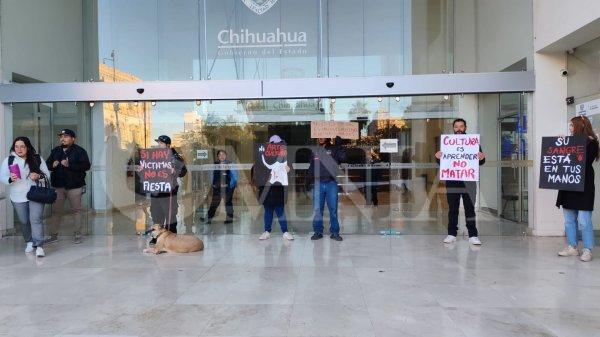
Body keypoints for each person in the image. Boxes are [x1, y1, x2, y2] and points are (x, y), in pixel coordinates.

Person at [435, 118, 486, 245]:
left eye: (461, 126)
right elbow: (443, 162)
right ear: (453, 128)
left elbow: (480, 162)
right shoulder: (447, 143)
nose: (458, 129)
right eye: (456, 126)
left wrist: (482, 157)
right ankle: (451, 233)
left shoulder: (473, 142)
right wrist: (437, 158)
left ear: (465, 127)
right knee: (453, 209)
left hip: (469, 181)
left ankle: (473, 235)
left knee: (470, 208)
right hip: (452, 180)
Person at [556, 116, 599, 262]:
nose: (570, 128)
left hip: (583, 186)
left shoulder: (592, 143)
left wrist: (567, 145)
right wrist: (562, 145)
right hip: (568, 185)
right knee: (569, 219)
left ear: (580, 126)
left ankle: (587, 249)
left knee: (584, 220)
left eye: (572, 126)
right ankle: (572, 247)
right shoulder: (569, 142)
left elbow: (583, 162)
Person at [1, 137, 51, 257]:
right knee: (24, 221)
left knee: (36, 218)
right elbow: (2, 176)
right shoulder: (9, 160)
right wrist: (10, 179)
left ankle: (39, 246)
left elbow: (47, 175)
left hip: (35, 194)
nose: (19, 149)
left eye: (22, 146)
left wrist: (38, 176)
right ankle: (29, 241)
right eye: (17, 146)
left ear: (27, 147)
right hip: (17, 195)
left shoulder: (37, 158)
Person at [46, 129, 91, 244]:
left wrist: (69, 165)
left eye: (66, 136)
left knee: (77, 210)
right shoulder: (55, 151)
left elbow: (86, 166)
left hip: (75, 186)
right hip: (58, 186)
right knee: (56, 212)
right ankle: (54, 235)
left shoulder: (80, 151)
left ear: (73, 138)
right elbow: (47, 165)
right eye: (61, 136)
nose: (63, 138)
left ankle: (77, 234)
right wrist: (52, 165)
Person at [149, 135, 187, 244]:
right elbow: (149, 168)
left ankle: (170, 236)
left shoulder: (175, 157)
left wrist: (174, 171)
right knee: (156, 213)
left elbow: (183, 171)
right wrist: (143, 169)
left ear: (167, 144)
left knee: (170, 214)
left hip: (169, 190)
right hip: (156, 189)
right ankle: (156, 236)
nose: (158, 145)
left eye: (161, 143)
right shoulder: (154, 156)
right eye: (158, 143)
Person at [308, 136, 347, 241]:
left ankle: (334, 232)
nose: (320, 138)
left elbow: (343, 158)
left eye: (323, 136)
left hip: (331, 183)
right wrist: (308, 181)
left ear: (327, 137)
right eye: (319, 136)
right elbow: (311, 167)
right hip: (317, 183)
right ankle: (318, 232)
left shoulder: (334, 149)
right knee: (317, 209)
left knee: (333, 210)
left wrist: (339, 146)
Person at [256, 135, 294, 241]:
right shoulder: (263, 154)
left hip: (279, 188)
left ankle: (285, 231)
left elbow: (289, 169)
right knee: (268, 210)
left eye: (277, 144)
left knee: (280, 210)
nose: (275, 146)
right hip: (267, 187)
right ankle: (267, 231)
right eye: (273, 144)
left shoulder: (284, 154)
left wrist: (288, 169)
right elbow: (259, 168)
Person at [206, 149, 237, 224]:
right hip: (217, 188)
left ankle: (229, 219)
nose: (221, 156)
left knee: (228, 203)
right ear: (217, 157)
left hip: (228, 188)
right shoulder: (215, 165)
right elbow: (211, 175)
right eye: (220, 155)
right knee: (214, 203)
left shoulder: (230, 164)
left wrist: (231, 185)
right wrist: (213, 184)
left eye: (223, 154)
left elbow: (235, 176)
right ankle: (209, 219)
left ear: (226, 156)